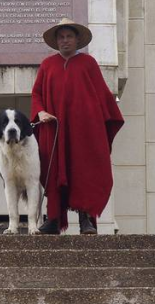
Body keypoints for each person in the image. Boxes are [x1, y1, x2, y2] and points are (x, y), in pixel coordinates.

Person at [31, 18, 124, 234]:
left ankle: (86, 220)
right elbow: (37, 93)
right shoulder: (47, 65)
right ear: (56, 41)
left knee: (85, 170)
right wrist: (40, 111)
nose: (65, 41)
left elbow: (102, 95)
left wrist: (97, 122)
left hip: (83, 130)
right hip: (54, 129)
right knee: (54, 170)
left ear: (77, 39)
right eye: (61, 37)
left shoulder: (88, 63)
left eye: (69, 36)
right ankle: (53, 219)